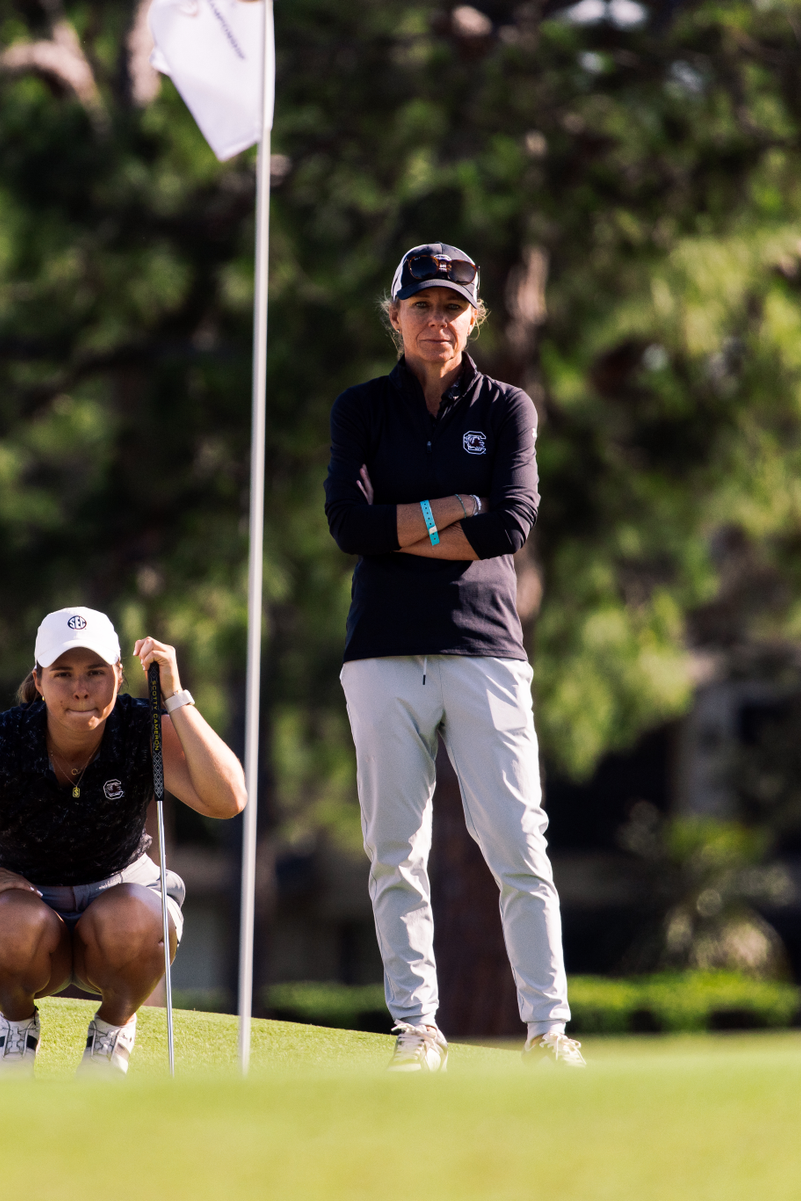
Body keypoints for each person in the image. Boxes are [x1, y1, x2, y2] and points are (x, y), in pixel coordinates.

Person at [322, 243, 585, 1070]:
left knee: (518, 843)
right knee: (395, 849)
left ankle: (548, 1030)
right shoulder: (361, 409)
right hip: (382, 655)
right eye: (421, 305)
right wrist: (449, 515)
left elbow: (508, 526)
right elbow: (346, 527)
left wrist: (401, 525)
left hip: (484, 650)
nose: (437, 320)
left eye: (451, 307)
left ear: (474, 319)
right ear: (393, 315)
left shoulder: (508, 408)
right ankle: (417, 1028)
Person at [0, 606, 247, 1078]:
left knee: (135, 922)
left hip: (122, 896)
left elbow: (228, 800)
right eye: (63, 673)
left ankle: (113, 1031)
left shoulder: (143, 729)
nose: (80, 688)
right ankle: (17, 1030)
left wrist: (176, 697)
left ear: (119, 676)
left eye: (95, 672)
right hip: (27, 907)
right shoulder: (4, 743)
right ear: (38, 681)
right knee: (4, 930)